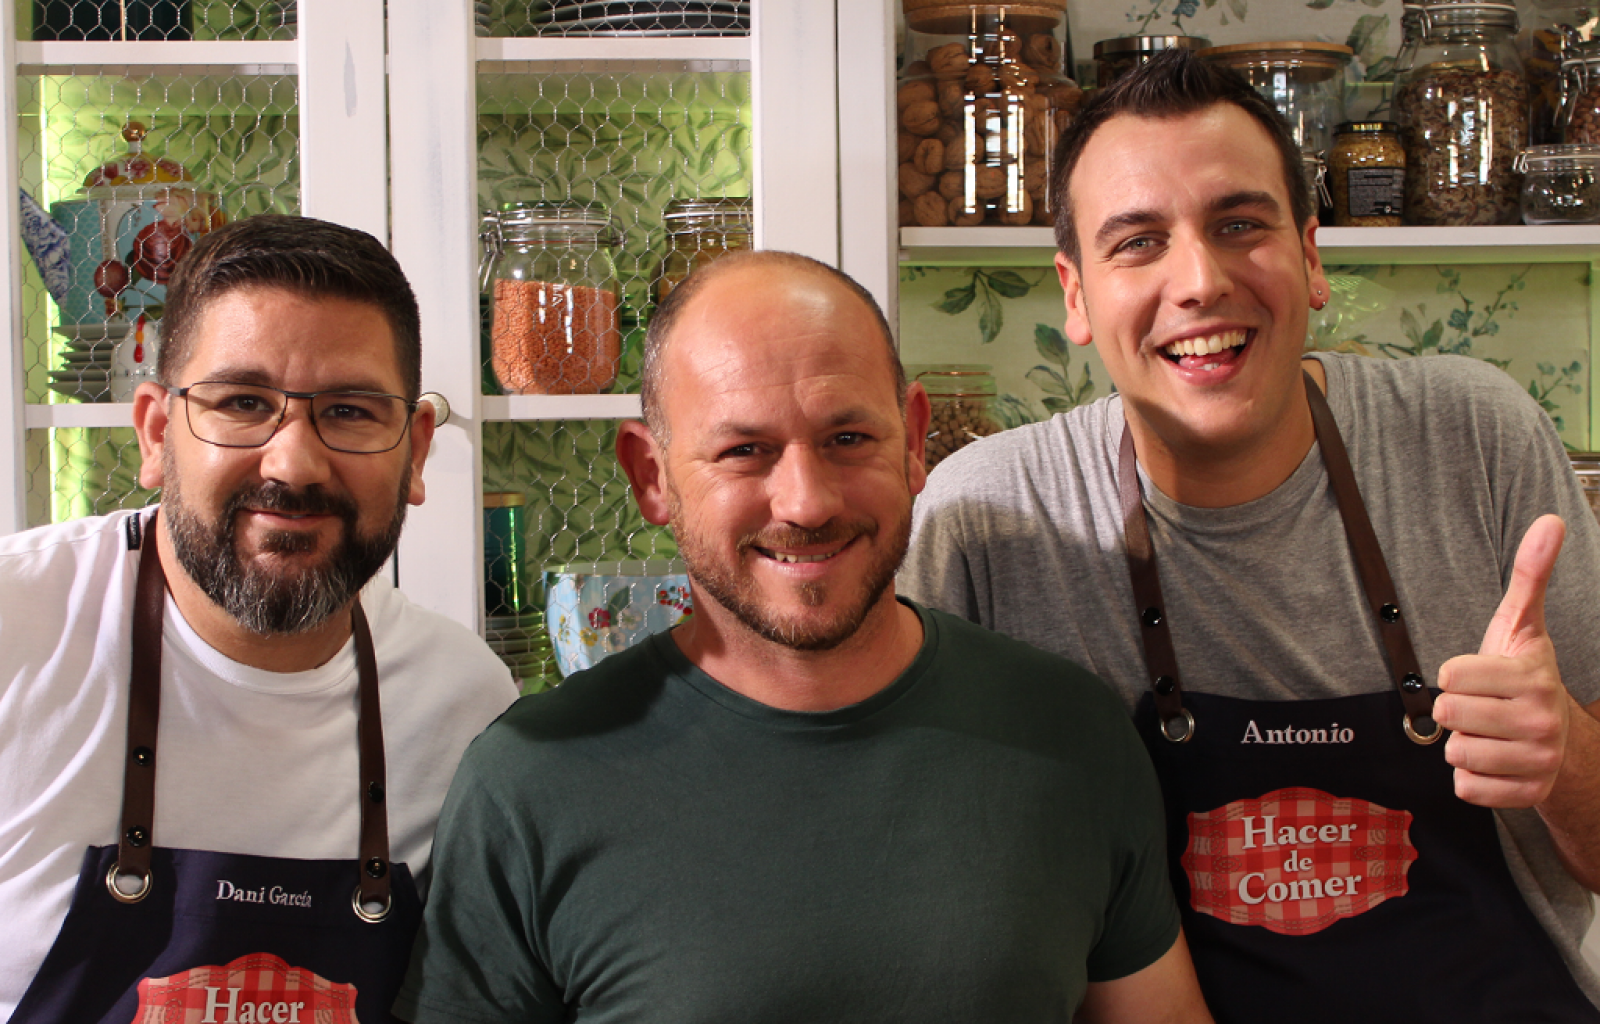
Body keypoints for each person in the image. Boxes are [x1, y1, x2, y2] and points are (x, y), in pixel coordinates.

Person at [900, 47, 1600, 1022]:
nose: (1199, 280)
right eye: (1138, 242)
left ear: (1310, 257)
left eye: (1239, 224)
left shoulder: (1472, 439)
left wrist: (1563, 752)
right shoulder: (988, 519)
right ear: (1075, 296)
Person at [394, 250, 1214, 1023]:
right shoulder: (528, 781)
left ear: (915, 441)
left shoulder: (1073, 731)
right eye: (744, 451)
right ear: (652, 476)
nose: (806, 502)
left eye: (847, 440)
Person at [0, 214, 519, 1024]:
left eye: (349, 411)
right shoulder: (17, 627)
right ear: (154, 432)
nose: (294, 463)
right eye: (244, 402)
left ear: (416, 452)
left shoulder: (466, 707)